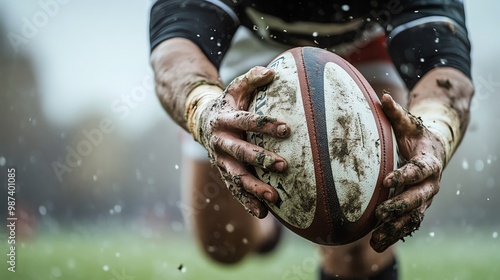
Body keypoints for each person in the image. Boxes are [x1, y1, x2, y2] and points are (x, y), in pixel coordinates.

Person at [149, 1, 474, 279]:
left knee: (356, 239)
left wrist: (436, 133)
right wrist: (203, 108)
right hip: (248, 42)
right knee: (223, 245)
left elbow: (443, 66)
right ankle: (274, 221)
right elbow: (175, 46)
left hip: (361, 47)